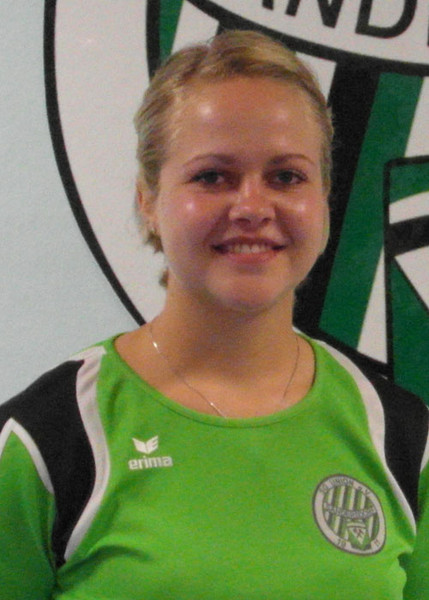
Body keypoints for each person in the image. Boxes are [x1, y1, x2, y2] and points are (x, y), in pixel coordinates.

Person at [0, 29, 428, 600]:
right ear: (148, 200)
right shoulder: (49, 439)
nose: (252, 206)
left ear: (324, 198)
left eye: (286, 176)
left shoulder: (402, 437)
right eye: (212, 176)